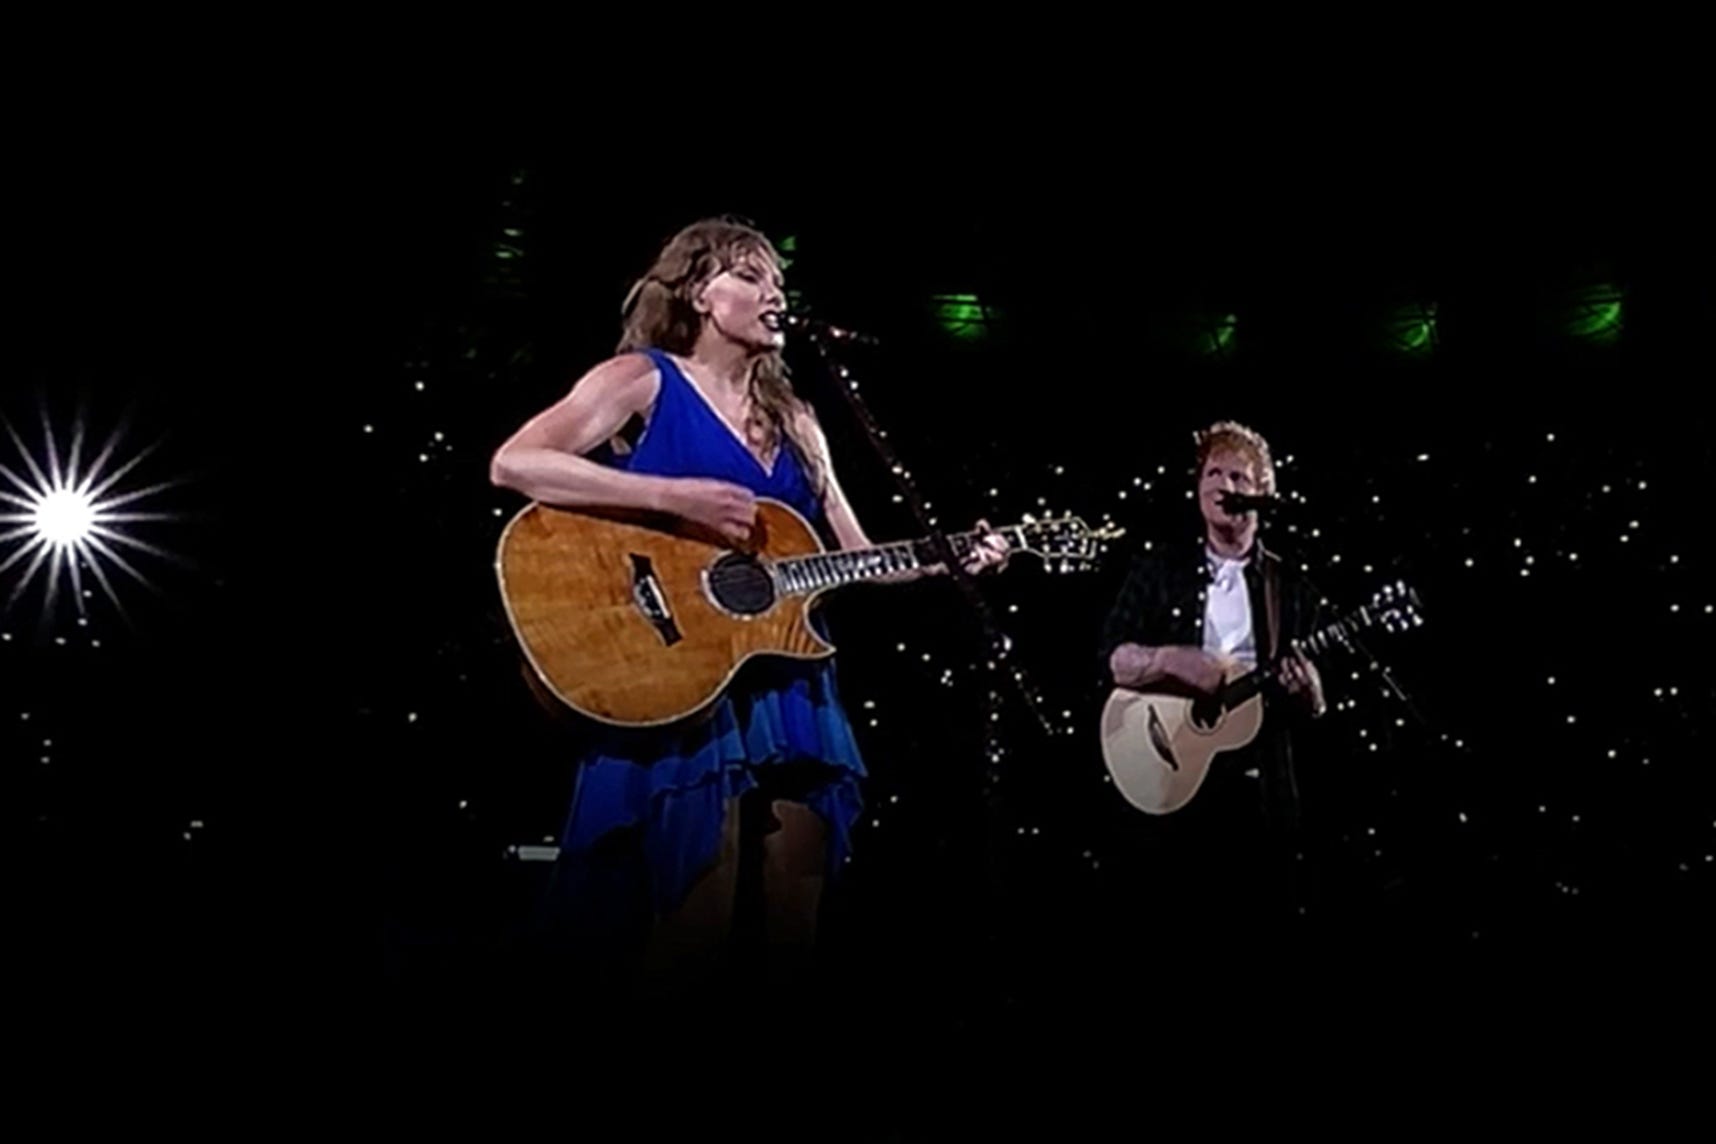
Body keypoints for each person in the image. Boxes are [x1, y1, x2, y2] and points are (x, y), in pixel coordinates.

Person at [488, 216, 1008, 1002]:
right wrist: (668, 492)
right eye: (751, 276)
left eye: (778, 281)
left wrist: (950, 555)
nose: (775, 294)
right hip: (682, 679)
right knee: (692, 926)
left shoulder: (798, 420)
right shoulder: (642, 380)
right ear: (700, 293)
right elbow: (516, 462)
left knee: (790, 936)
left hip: (792, 687)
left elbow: (859, 556)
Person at [1096, 420, 1327, 970]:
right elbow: (1111, 657)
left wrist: (1312, 692)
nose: (1223, 483)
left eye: (1238, 475)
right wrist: (1168, 659)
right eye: (1213, 472)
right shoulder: (1159, 570)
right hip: (1170, 777)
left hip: (1261, 787)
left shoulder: (1287, 583)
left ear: (1261, 494)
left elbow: (1316, 704)